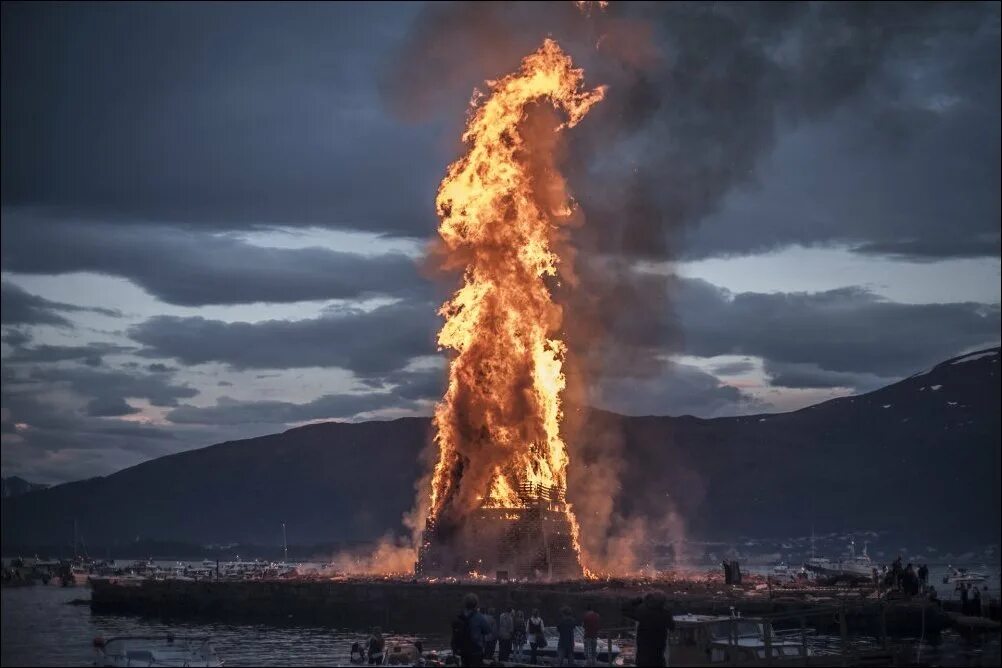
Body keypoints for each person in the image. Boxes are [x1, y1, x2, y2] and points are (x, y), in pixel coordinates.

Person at [623, 592, 675, 667]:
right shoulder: (665, 614)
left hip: (643, 653)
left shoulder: (642, 612)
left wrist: (639, 600)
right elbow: (672, 627)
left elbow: (624, 609)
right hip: (658, 653)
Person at [451, 593, 492, 667]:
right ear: (476, 604)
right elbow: (487, 631)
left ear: (465, 604)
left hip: (462, 651)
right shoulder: (479, 617)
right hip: (475, 651)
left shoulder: (459, 617)